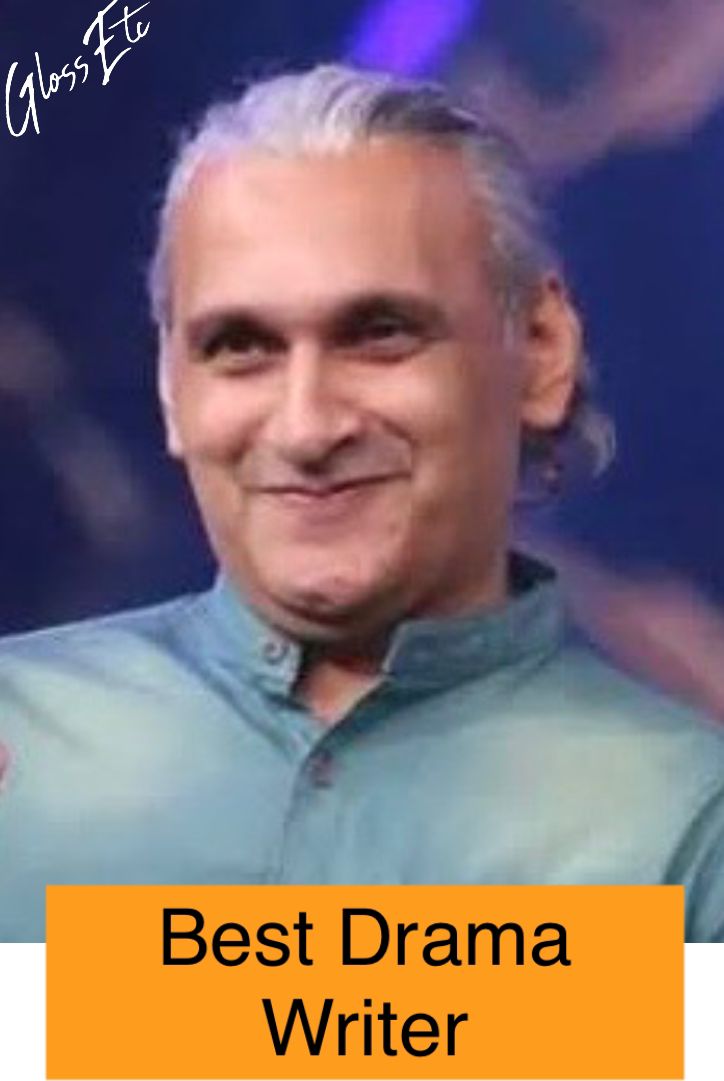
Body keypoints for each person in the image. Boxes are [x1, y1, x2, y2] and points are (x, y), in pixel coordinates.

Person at [1, 64, 723, 943]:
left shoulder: (685, 820)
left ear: (540, 353)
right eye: (239, 345)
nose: (306, 425)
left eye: (380, 335)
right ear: (169, 388)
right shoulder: (21, 757)